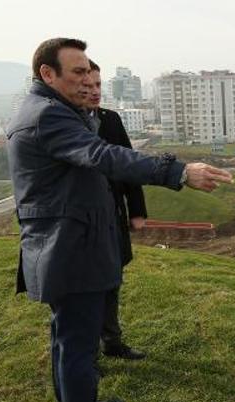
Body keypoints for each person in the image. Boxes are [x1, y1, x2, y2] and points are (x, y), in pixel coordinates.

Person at [6, 38, 233, 402]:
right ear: (48, 73)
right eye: (77, 72)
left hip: (65, 243)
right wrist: (177, 172)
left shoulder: (48, 109)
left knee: (67, 337)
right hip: (71, 246)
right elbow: (102, 155)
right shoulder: (47, 115)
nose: (86, 81)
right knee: (77, 342)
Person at [84, 60, 146, 361]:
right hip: (85, 218)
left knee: (113, 279)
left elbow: (129, 165)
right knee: (87, 288)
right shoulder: (68, 123)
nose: (95, 91)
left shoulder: (111, 119)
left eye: (99, 85)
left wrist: (137, 211)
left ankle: (112, 341)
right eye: (89, 85)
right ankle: (87, 353)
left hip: (114, 214)